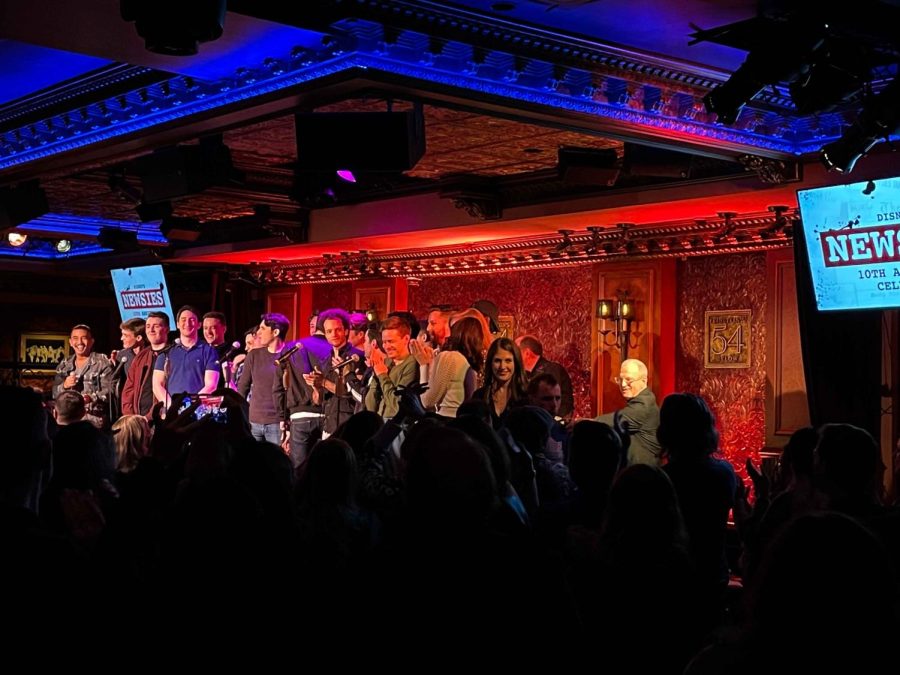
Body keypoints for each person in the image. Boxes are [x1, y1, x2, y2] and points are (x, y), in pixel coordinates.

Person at [410, 315, 484, 417]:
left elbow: (427, 401)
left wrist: (423, 365)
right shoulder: (471, 361)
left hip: (447, 421)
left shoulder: (450, 357)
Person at [596, 358, 661, 466]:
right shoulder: (641, 399)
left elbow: (614, 421)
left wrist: (582, 423)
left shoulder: (644, 404)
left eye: (628, 379)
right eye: (620, 379)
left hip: (643, 476)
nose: (623, 384)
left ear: (644, 381)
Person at [237, 313, 290, 445]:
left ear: (276, 332)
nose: (258, 333)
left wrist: (287, 420)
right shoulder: (254, 355)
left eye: (262, 329)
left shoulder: (290, 355)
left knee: (275, 463)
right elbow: (243, 387)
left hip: (277, 423)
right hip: (253, 421)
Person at [153, 305, 219, 408]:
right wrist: (171, 406)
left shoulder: (209, 351)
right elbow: (157, 385)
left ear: (199, 325)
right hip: (172, 411)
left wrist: (191, 405)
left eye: (192, 320)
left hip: (198, 410)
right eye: (183, 320)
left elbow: (211, 385)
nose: (187, 323)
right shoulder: (166, 352)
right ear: (178, 324)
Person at [52, 324, 113, 424]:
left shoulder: (102, 362)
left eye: (84, 338)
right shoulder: (64, 364)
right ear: (70, 342)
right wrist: (64, 385)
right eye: (75, 338)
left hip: (93, 420)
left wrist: (90, 398)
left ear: (91, 341)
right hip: (68, 421)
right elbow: (54, 393)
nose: (79, 342)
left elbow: (110, 391)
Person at [365, 315, 418, 419]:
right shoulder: (386, 363)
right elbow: (370, 405)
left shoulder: (412, 364)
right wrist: (376, 377)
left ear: (406, 339)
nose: (386, 347)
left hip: (398, 426)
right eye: (384, 342)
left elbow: (397, 405)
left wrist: (383, 375)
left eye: (391, 341)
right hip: (380, 421)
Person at [471, 337, 528, 427]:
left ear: (516, 363)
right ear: (490, 363)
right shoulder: (479, 396)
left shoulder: (526, 396)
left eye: (508, 361)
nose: (502, 366)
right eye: (497, 361)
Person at [121, 311, 170, 417]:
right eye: (148, 326)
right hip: (137, 420)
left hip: (163, 417)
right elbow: (129, 389)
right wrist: (130, 417)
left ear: (167, 329)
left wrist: (149, 417)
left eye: (156, 326)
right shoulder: (141, 357)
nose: (151, 330)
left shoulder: (174, 355)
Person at [516, 335, 574, 419]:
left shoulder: (551, 370)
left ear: (527, 353)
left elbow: (554, 407)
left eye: (516, 352)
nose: (513, 356)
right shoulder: (524, 374)